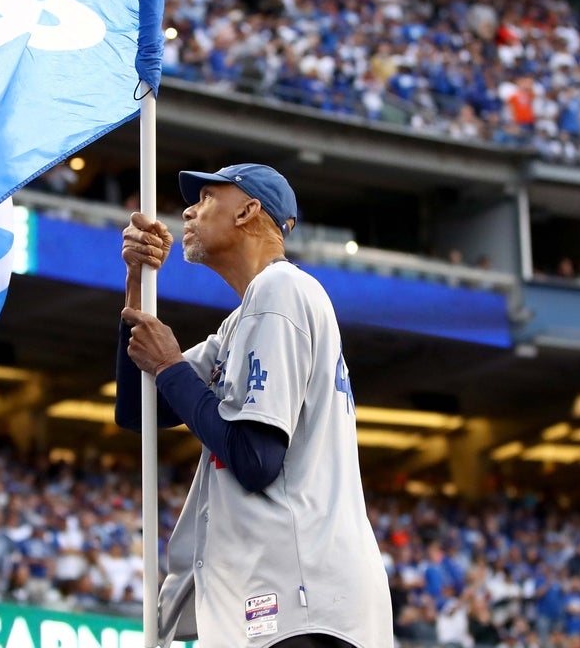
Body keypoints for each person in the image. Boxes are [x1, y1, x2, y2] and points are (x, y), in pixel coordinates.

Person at [114, 163, 393, 648]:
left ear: (247, 210)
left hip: (300, 604)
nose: (188, 210)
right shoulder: (244, 319)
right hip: (295, 604)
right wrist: (137, 285)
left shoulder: (280, 289)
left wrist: (171, 367)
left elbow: (255, 458)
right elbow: (138, 410)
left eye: (205, 197)